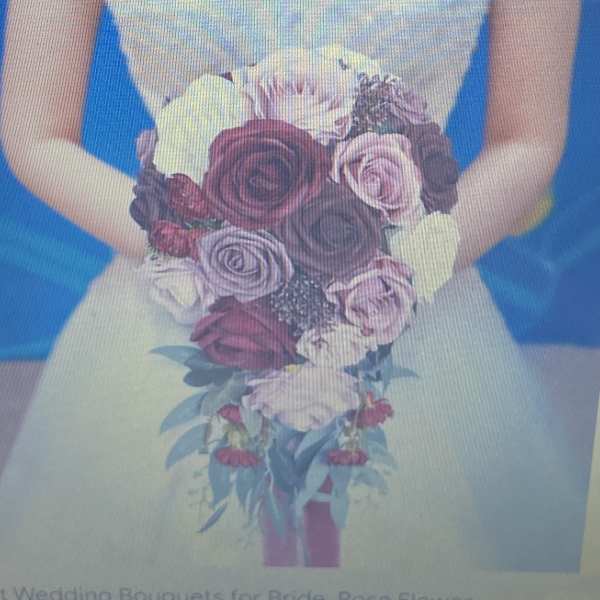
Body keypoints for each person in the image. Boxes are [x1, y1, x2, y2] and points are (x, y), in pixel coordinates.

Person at [0, 0, 585, 583]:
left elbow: (527, 138)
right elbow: (36, 135)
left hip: (406, 308)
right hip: (179, 302)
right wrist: (201, 254)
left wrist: (390, 271)